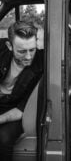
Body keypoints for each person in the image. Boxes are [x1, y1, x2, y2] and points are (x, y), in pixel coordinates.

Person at [0, 21, 43, 161]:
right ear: (9, 46)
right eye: (22, 51)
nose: (29, 57)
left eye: (32, 49)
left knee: (4, 137)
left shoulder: (42, 64)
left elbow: (22, 108)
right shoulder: (1, 49)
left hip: (15, 109)